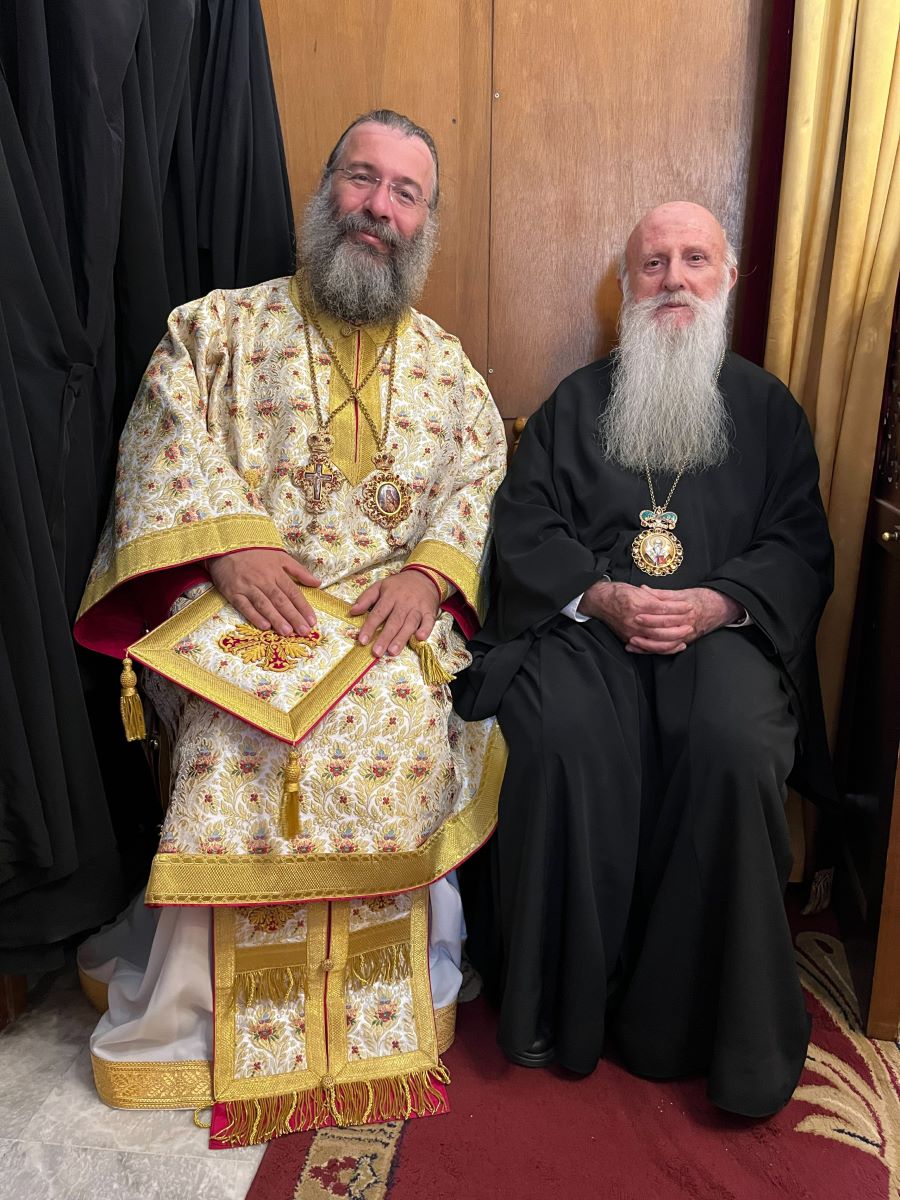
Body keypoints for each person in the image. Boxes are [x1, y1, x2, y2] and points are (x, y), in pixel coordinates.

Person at [74, 109, 507, 1146]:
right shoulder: (216, 328)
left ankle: (380, 1007)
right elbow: (163, 437)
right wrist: (228, 548)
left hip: (384, 619)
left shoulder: (450, 369)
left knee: (398, 713)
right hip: (240, 609)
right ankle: (199, 1014)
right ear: (326, 188)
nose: (379, 207)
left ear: (427, 221)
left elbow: (481, 477)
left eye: (405, 193)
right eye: (363, 178)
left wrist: (430, 575)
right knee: (235, 728)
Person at [453, 202, 834, 1118]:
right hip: (591, 627)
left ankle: (695, 1025)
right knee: (559, 732)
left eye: (695, 259)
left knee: (735, 743)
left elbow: (798, 544)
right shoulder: (575, 405)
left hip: (722, 632)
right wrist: (599, 594)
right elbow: (525, 526)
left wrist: (718, 602)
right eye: (653, 263)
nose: (674, 280)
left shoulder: (768, 410)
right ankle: (559, 1007)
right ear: (627, 288)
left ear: (727, 280)